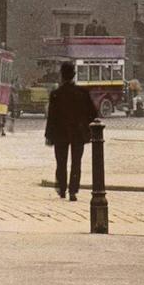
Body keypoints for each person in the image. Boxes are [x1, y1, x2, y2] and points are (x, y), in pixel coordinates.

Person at [44, 61, 96, 202]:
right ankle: (73, 191)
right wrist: (84, 125)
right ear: (74, 75)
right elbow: (93, 113)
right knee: (76, 162)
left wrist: (48, 135)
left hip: (60, 133)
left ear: (61, 76)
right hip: (78, 133)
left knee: (61, 162)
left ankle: (62, 189)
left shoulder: (56, 94)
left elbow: (51, 117)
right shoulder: (82, 93)